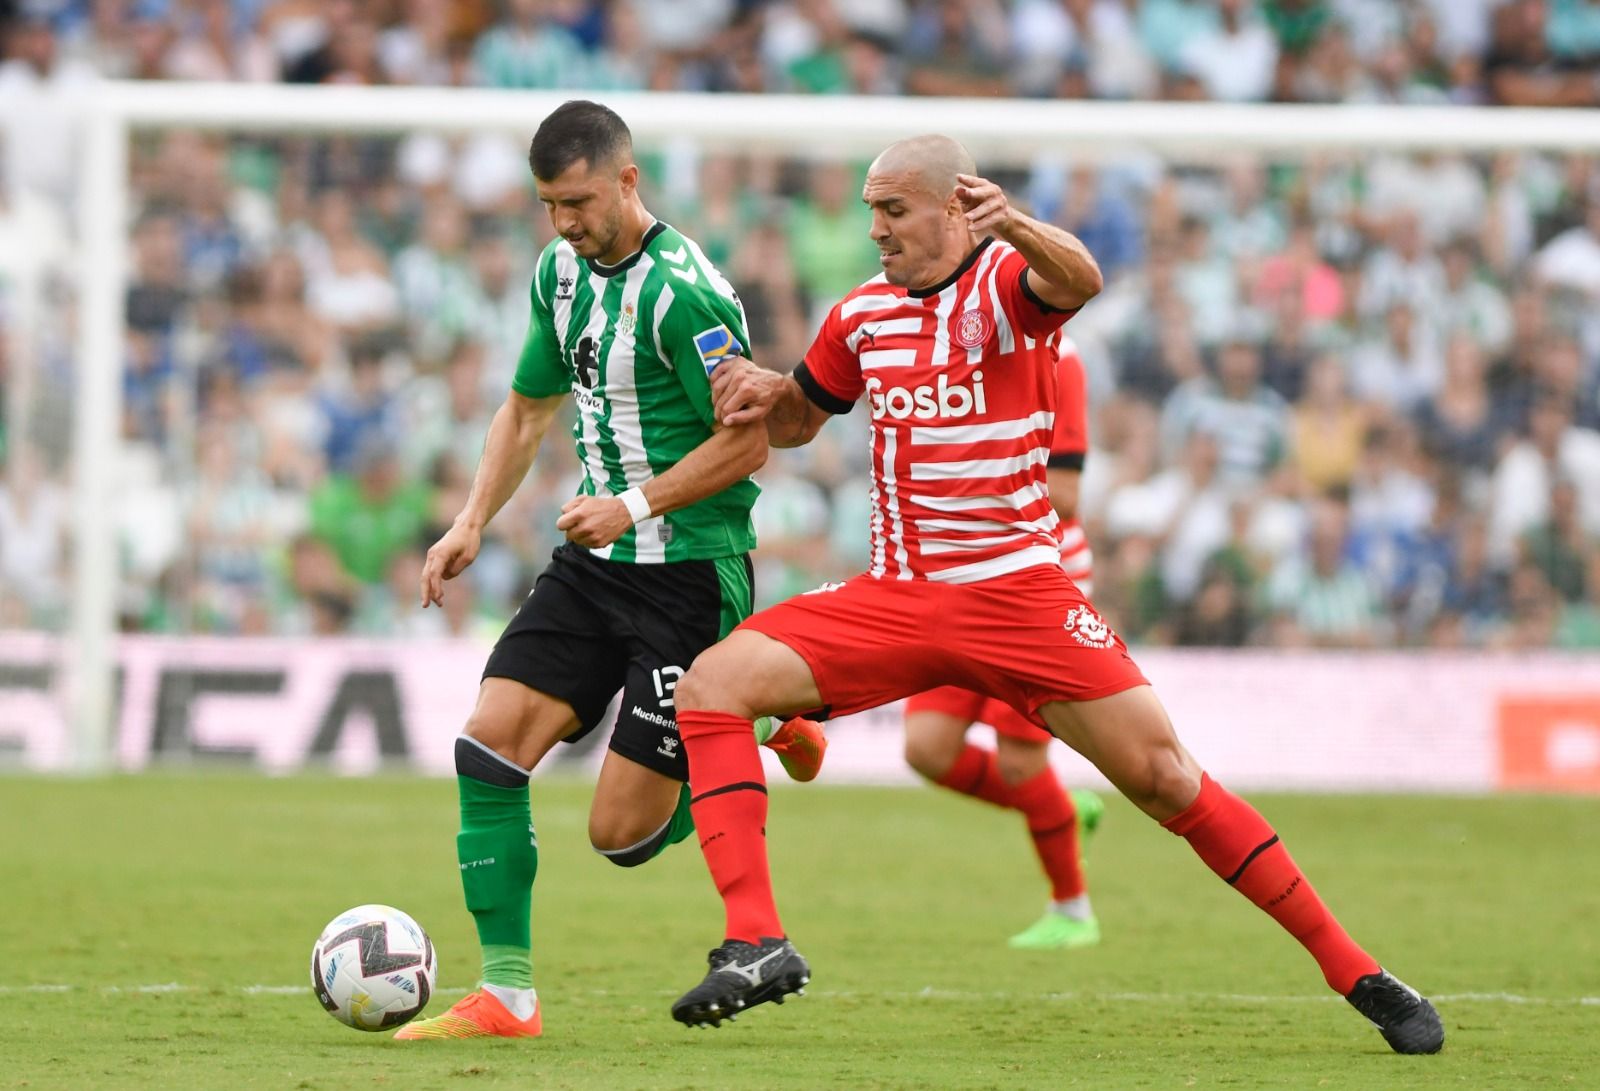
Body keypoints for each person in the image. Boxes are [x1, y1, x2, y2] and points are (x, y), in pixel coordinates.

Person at [665, 134, 1444, 1056]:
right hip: (899, 593)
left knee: (1165, 777)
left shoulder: (1007, 282)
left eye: (893, 210)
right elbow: (802, 420)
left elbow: (1081, 279)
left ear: (955, 206)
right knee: (712, 686)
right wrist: (765, 394)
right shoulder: (861, 315)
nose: (874, 230)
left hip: (1016, 595)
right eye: (870, 211)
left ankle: (1355, 968)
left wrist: (1020, 224)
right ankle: (758, 940)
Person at [395, 101, 824, 1042]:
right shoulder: (559, 274)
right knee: (488, 743)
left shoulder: (688, 294)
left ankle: (749, 718)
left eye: (579, 201)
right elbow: (526, 409)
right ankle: (507, 995)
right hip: (594, 565)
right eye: (548, 204)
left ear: (628, 180)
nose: (563, 222)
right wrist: (471, 519)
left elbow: (747, 447)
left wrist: (631, 504)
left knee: (621, 837)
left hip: (689, 575)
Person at [900, 336, 1106, 951]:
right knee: (927, 748)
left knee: (1021, 764)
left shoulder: (1059, 359)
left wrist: (967, 473)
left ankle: (1072, 909)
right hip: (956, 575)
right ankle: (1060, 810)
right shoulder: (938, 350)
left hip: (1032, 580)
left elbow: (1066, 497)